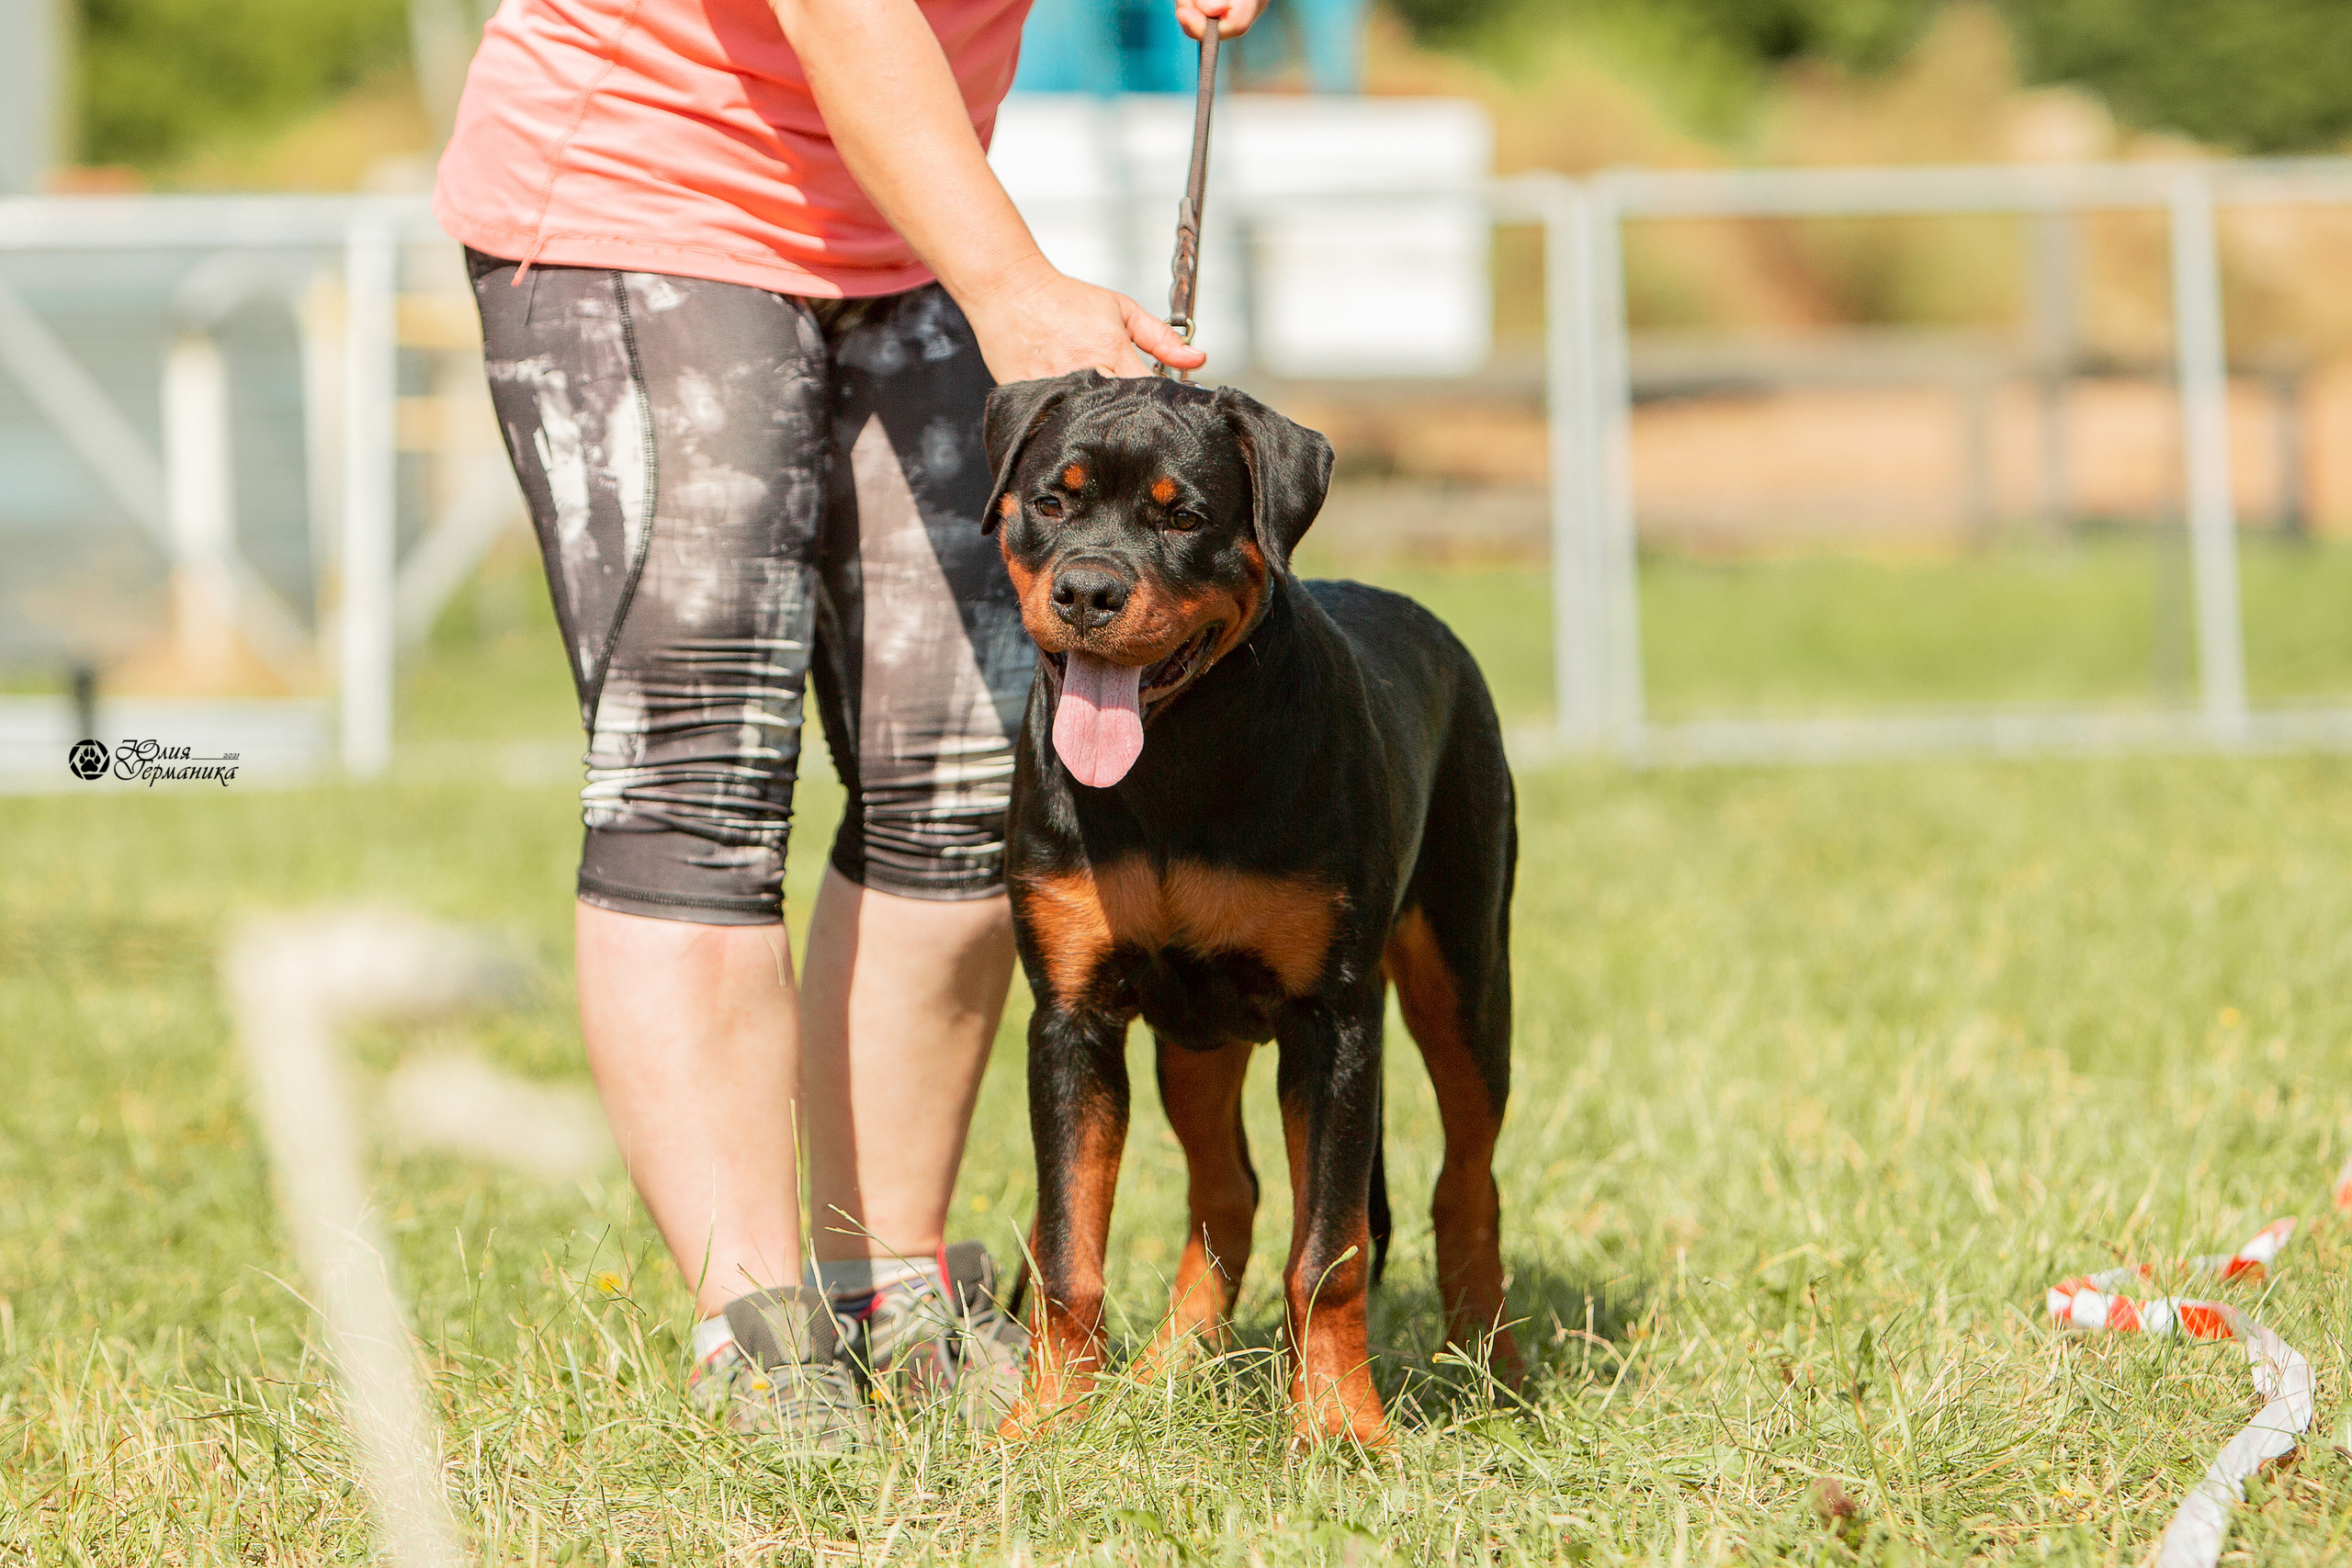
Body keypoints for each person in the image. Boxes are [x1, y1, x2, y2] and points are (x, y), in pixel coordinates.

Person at [434, 0, 1263, 1450]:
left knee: (958, 778)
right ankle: (753, 1326)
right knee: (696, 776)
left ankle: (885, 1282)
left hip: (908, 214)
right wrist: (1008, 279)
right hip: (650, 189)